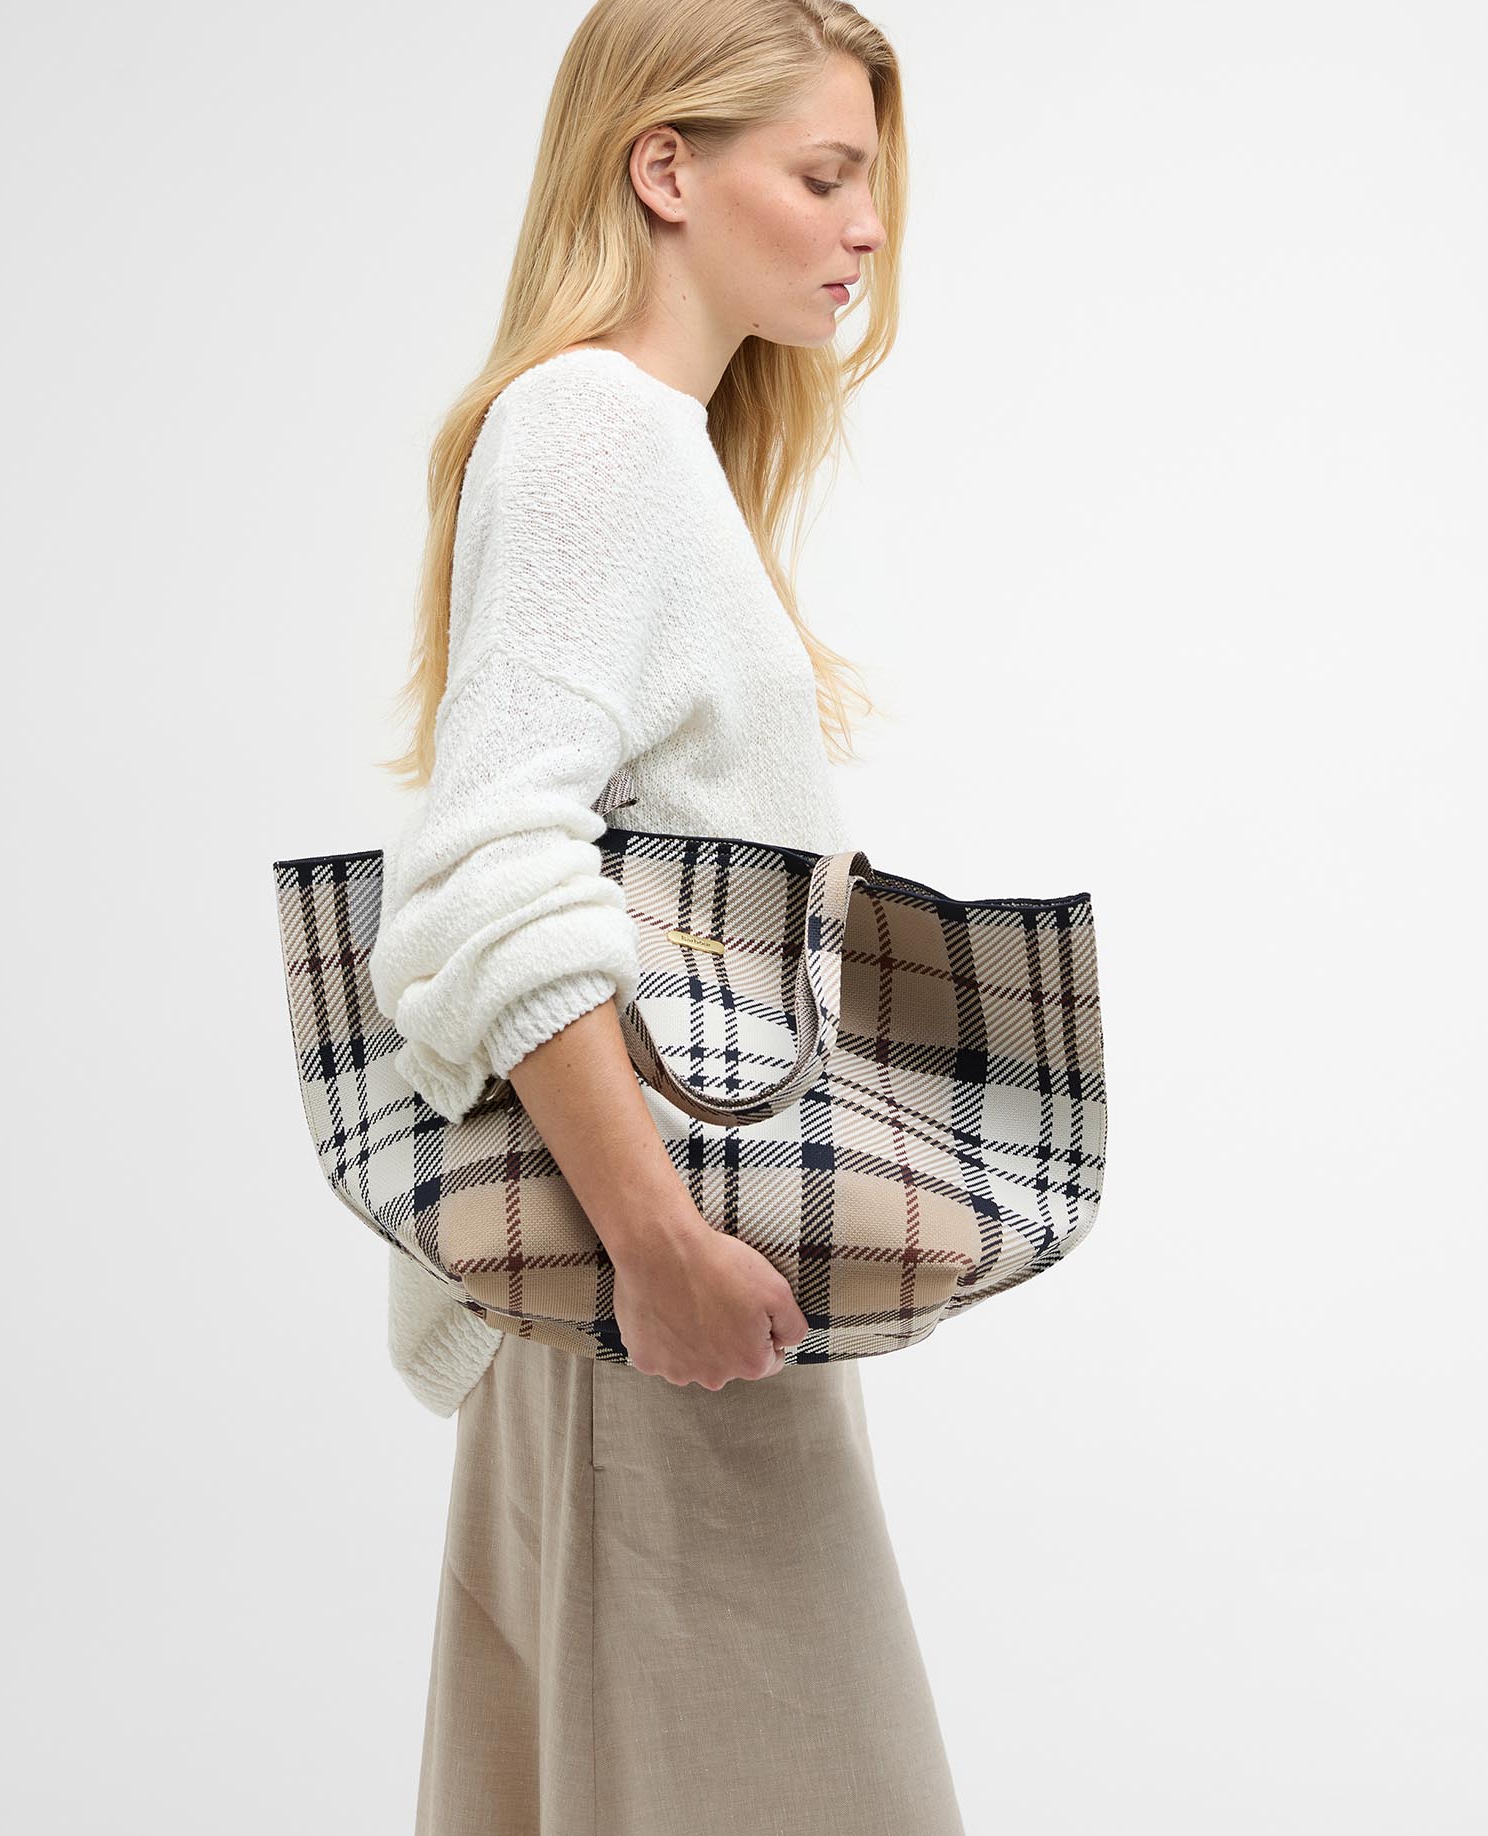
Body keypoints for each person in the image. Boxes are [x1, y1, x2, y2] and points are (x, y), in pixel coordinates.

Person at [367, 2, 966, 1830]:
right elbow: (495, 857)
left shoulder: (653, 445)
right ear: (666, 170)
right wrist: (654, 1246)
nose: (869, 225)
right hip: (655, 1272)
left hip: (667, 1271)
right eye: (826, 173)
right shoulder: (593, 432)